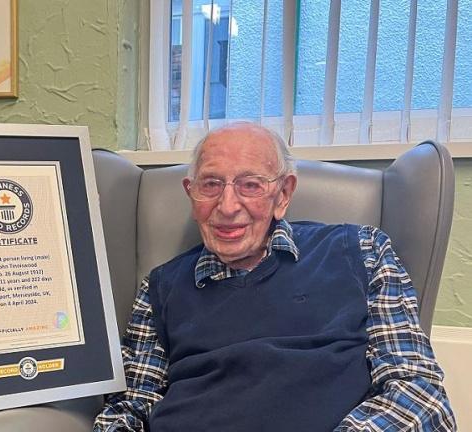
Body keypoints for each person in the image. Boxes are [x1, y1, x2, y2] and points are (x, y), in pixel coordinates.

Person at [94, 122, 456, 431]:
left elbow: (418, 392)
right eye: (211, 184)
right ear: (192, 194)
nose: (227, 206)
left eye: (250, 185)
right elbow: (131, 406)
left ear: (283, 194)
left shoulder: (361, 251)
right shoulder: (160, 287)